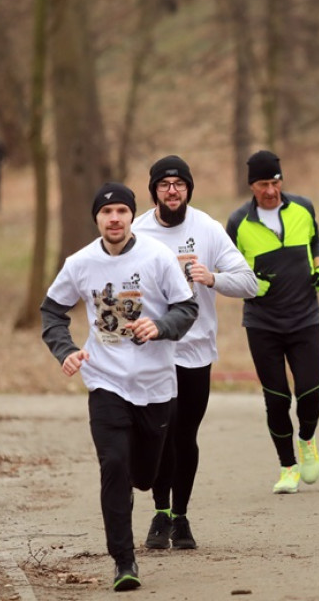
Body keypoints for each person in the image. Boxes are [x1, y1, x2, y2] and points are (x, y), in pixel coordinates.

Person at [40, 182, 199, 592]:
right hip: (105, 381)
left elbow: (187, 308)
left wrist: (159, 326)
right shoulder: (80, 263)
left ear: (132, 216)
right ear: (97, 219)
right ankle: (124, 560)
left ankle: (135, 486)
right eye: (106, 212)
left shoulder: (157, 256)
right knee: (113, 465)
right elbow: (52, 312)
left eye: (122, 212)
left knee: (143, 476)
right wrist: (65, 351)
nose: (114, 219)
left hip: (156, 384)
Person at [132, 155, 257, 551]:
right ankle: (160, 511)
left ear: (188, 189)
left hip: (196, 351)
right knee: (160, 433)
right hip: (154, 351)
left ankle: (179, 516)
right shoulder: (137, 231)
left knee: (184, 435)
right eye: (164, 184)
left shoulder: (208, 229)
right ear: (154, 191)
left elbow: (249, 283)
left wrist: (213, 278)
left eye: (179, 184)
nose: (172, 191)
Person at [225, 150, 319, 494]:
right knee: (276, 399)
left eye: (275, 182)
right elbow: (227, 266)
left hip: (305, 317)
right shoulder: (238, 221)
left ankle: (307, 439)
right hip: (263, 323)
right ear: (251, 186)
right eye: (262, 184)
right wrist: (251, 284)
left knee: (310, 391)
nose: (270, 190)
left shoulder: (303, 207)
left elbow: (315, 241)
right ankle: (288, 467)